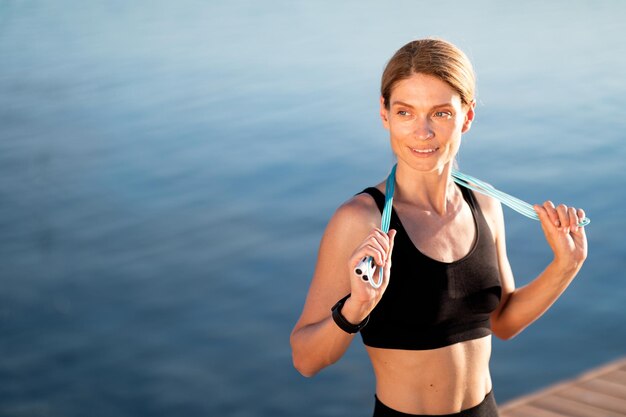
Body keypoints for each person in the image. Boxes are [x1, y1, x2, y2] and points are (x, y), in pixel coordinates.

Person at [289, 38, 588, 417]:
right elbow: (305, 359)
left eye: (441, 113)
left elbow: (503, 322)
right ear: (384, 114)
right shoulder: (361, 220)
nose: (423, 132)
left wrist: (566, 265)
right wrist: (356, 308)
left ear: (467, 115)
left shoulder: (484, 202)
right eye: (405, 112)